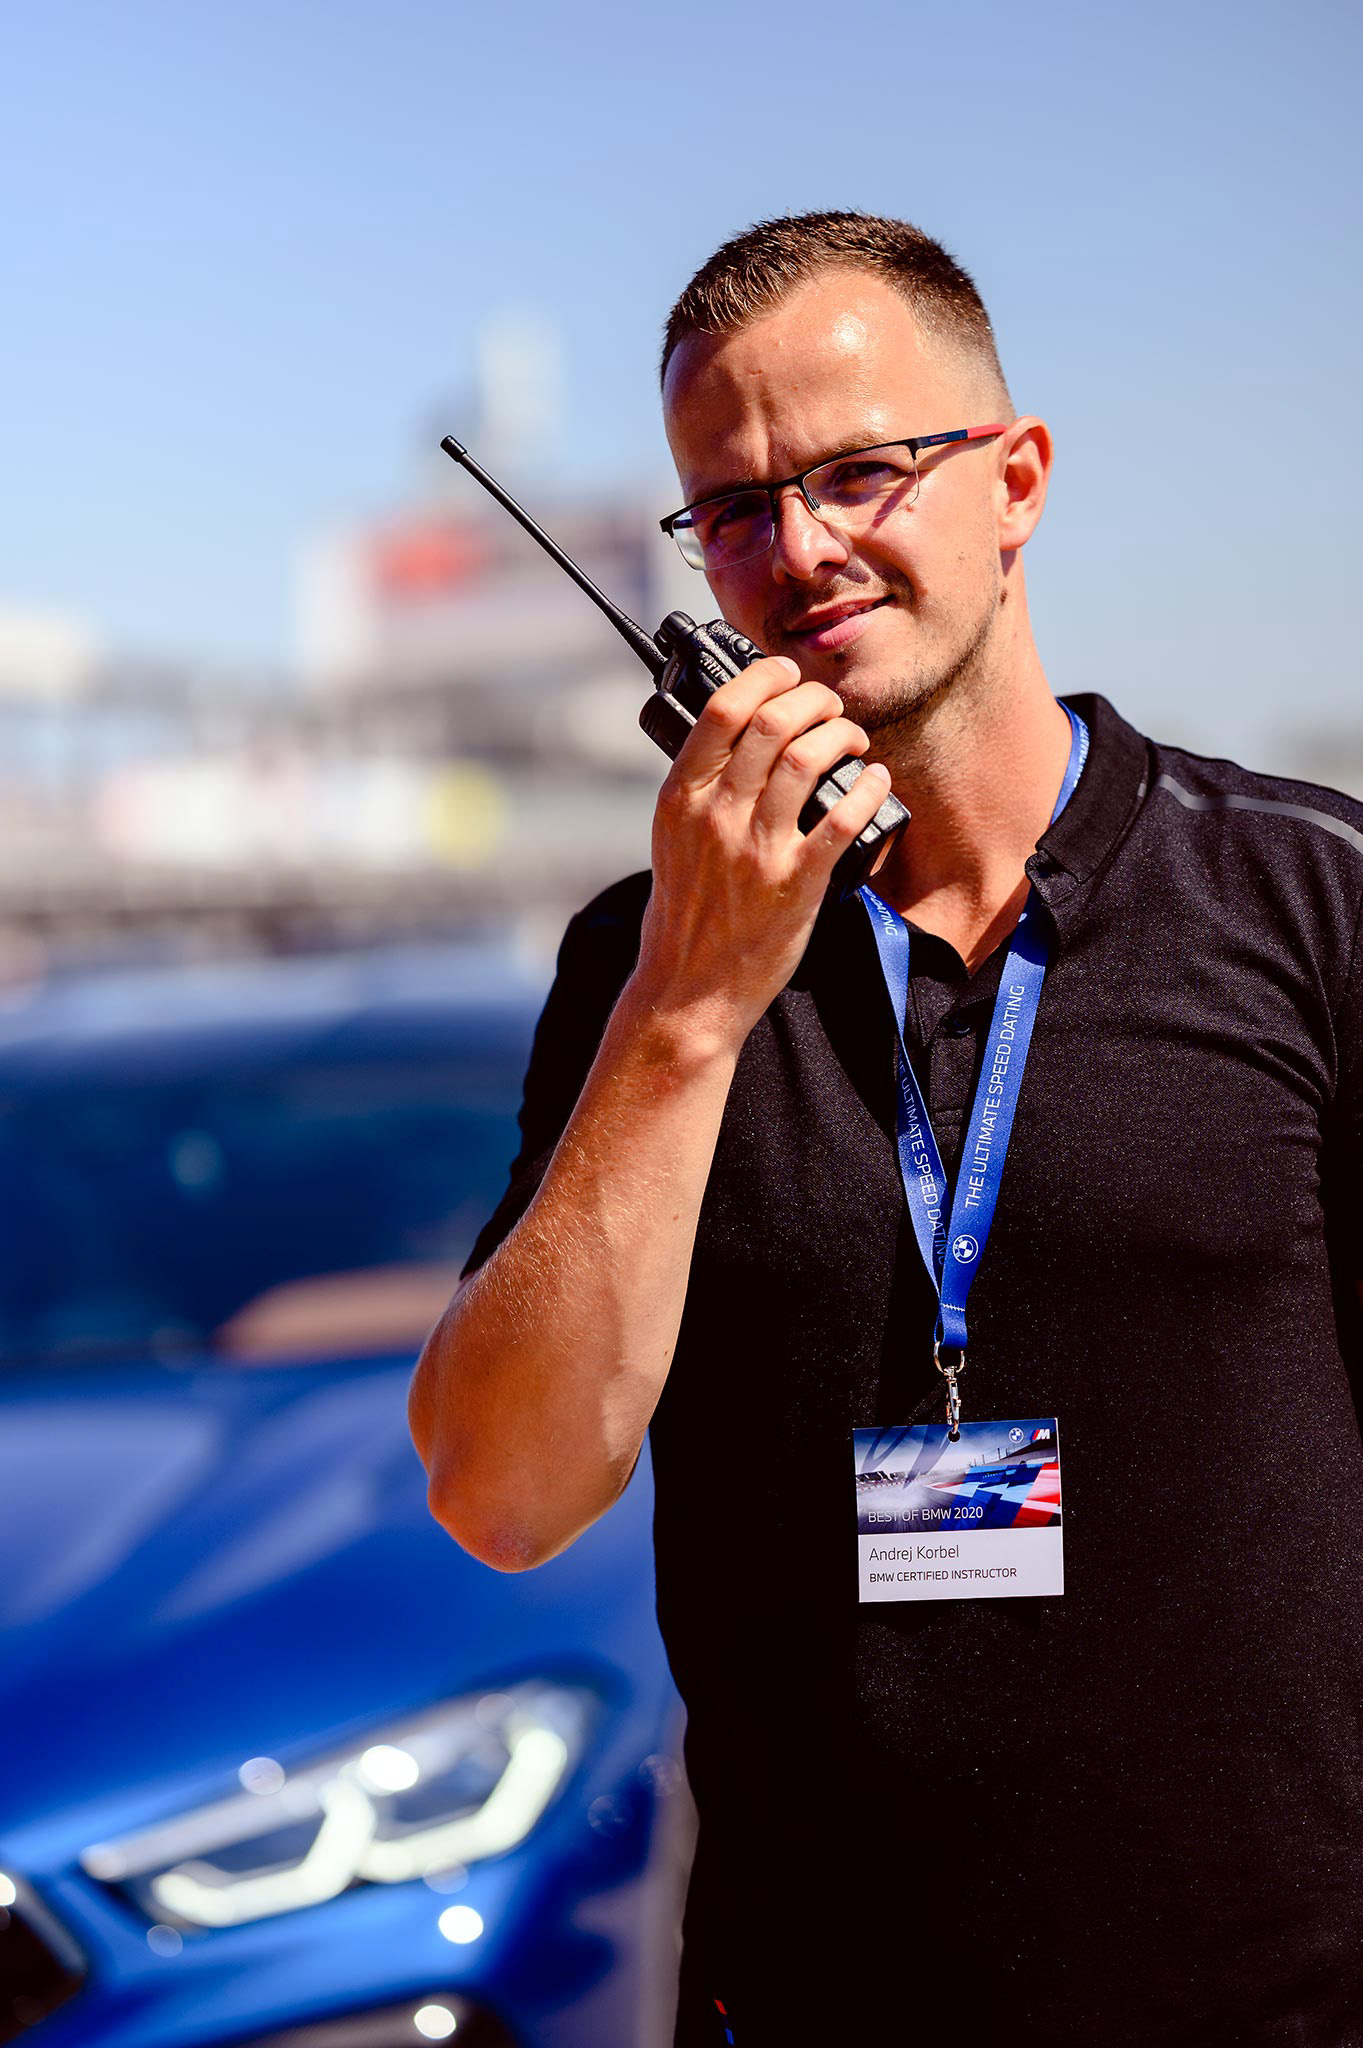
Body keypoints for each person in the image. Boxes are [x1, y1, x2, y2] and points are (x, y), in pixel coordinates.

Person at [409, 212, 1363, 2043]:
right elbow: (501, 1491)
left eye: (860, 473)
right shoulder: (645, 964)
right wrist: (689, 1007)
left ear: (1018, 483)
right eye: (734, 508)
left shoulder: (1307, 897)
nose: (798, 551)